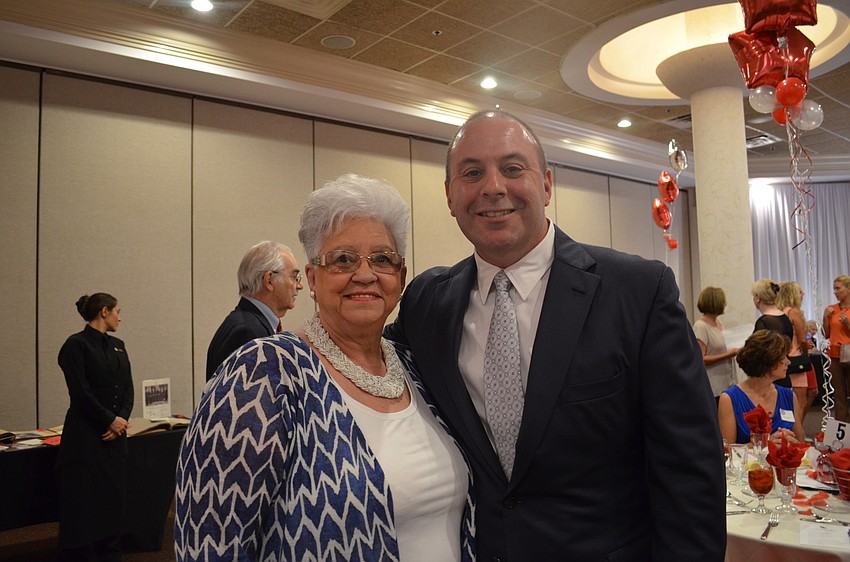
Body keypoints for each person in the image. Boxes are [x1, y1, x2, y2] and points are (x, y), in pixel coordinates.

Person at [384, 110, 725, 560]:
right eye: (471, 173)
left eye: (512, 168)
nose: (493, 187)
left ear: (545, 184)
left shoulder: (638, 292)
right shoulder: (428, 301)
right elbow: (365, 362)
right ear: (450, 196)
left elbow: (690, 471)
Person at [175, 174, 474, 562]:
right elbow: (210, 545)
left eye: (382, 259)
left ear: (400, 278)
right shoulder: (261, 374)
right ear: (313, 279)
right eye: (343, 259)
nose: (365, 274)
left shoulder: (417, 368)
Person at [57, 293, 134, 562]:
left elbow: (127, 389)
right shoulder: (75, 346)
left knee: (112, 505)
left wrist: (121, 420)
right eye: (117, 311)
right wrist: (108, 419)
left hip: (115, 440)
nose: (120, 317)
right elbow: (80, 392)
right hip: (87, 440)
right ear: (104, 312)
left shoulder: (119, 345)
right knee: (84, 507)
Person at [205, 240, 303, 380]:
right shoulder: (248, 333)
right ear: (269, 280)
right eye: (294, 276)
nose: (300, 286)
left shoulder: (248, 323)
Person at [718, 329, 805, 445]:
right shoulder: (729, 399)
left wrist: (791, 442)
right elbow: (726, 451)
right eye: (783, 358)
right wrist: (764, 443)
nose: (788, 362)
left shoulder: (789, 396)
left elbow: (801, 443)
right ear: (768, 361)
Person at [776, 281, 816, 426]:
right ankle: (797, 431)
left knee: (786, 398)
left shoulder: (780, 312)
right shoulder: (794, 312)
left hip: (784, 359)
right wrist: (806, 350)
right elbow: (802, 339)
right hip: (797, 359)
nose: (803, 295)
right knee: (800, 400)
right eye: (800, 292)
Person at [693, 287, 738, 403]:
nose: (725, 304)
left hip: (727, 382)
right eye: (723, 302)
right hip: (714, 386)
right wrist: (728, 354)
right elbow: (701, 359)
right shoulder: (701, 327)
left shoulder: (718, 323)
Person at [824, 275, 850, 421]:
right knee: (839, 393)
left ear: (848, 289)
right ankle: (844, 427)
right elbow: (827, 334)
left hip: (849, 352)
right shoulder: (832, 309)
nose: (835, 292)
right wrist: (825, 317)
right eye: (834, 288)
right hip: (834, 354)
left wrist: (848, 324)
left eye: (838, 288)